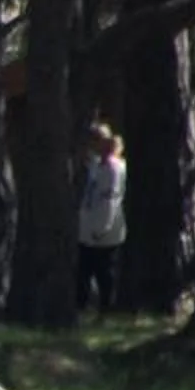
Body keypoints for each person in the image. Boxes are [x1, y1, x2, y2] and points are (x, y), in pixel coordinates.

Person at [77, 121, 127, 313]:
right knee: (84, 271)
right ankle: (83, 307)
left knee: (104, 272)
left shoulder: (113, 168)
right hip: (89, 229)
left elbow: (110, 201)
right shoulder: (98, 165)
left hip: (104, 231)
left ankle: (106, 308)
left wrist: (102, 227)